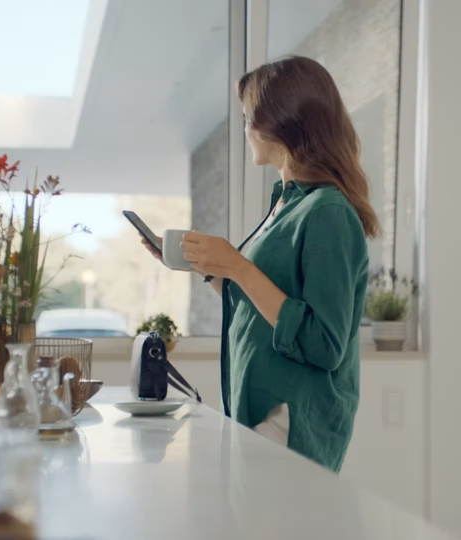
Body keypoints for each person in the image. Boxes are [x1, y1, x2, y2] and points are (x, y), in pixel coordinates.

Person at [142, 55, 378, 472]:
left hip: (290, 419)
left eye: (248, 118)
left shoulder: (328, 212)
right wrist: (209, 268)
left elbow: (325, 344)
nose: (246, 129)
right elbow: (260, 305)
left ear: (278, 124)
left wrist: (239, 266)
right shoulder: (285, 204)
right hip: (258, 410)